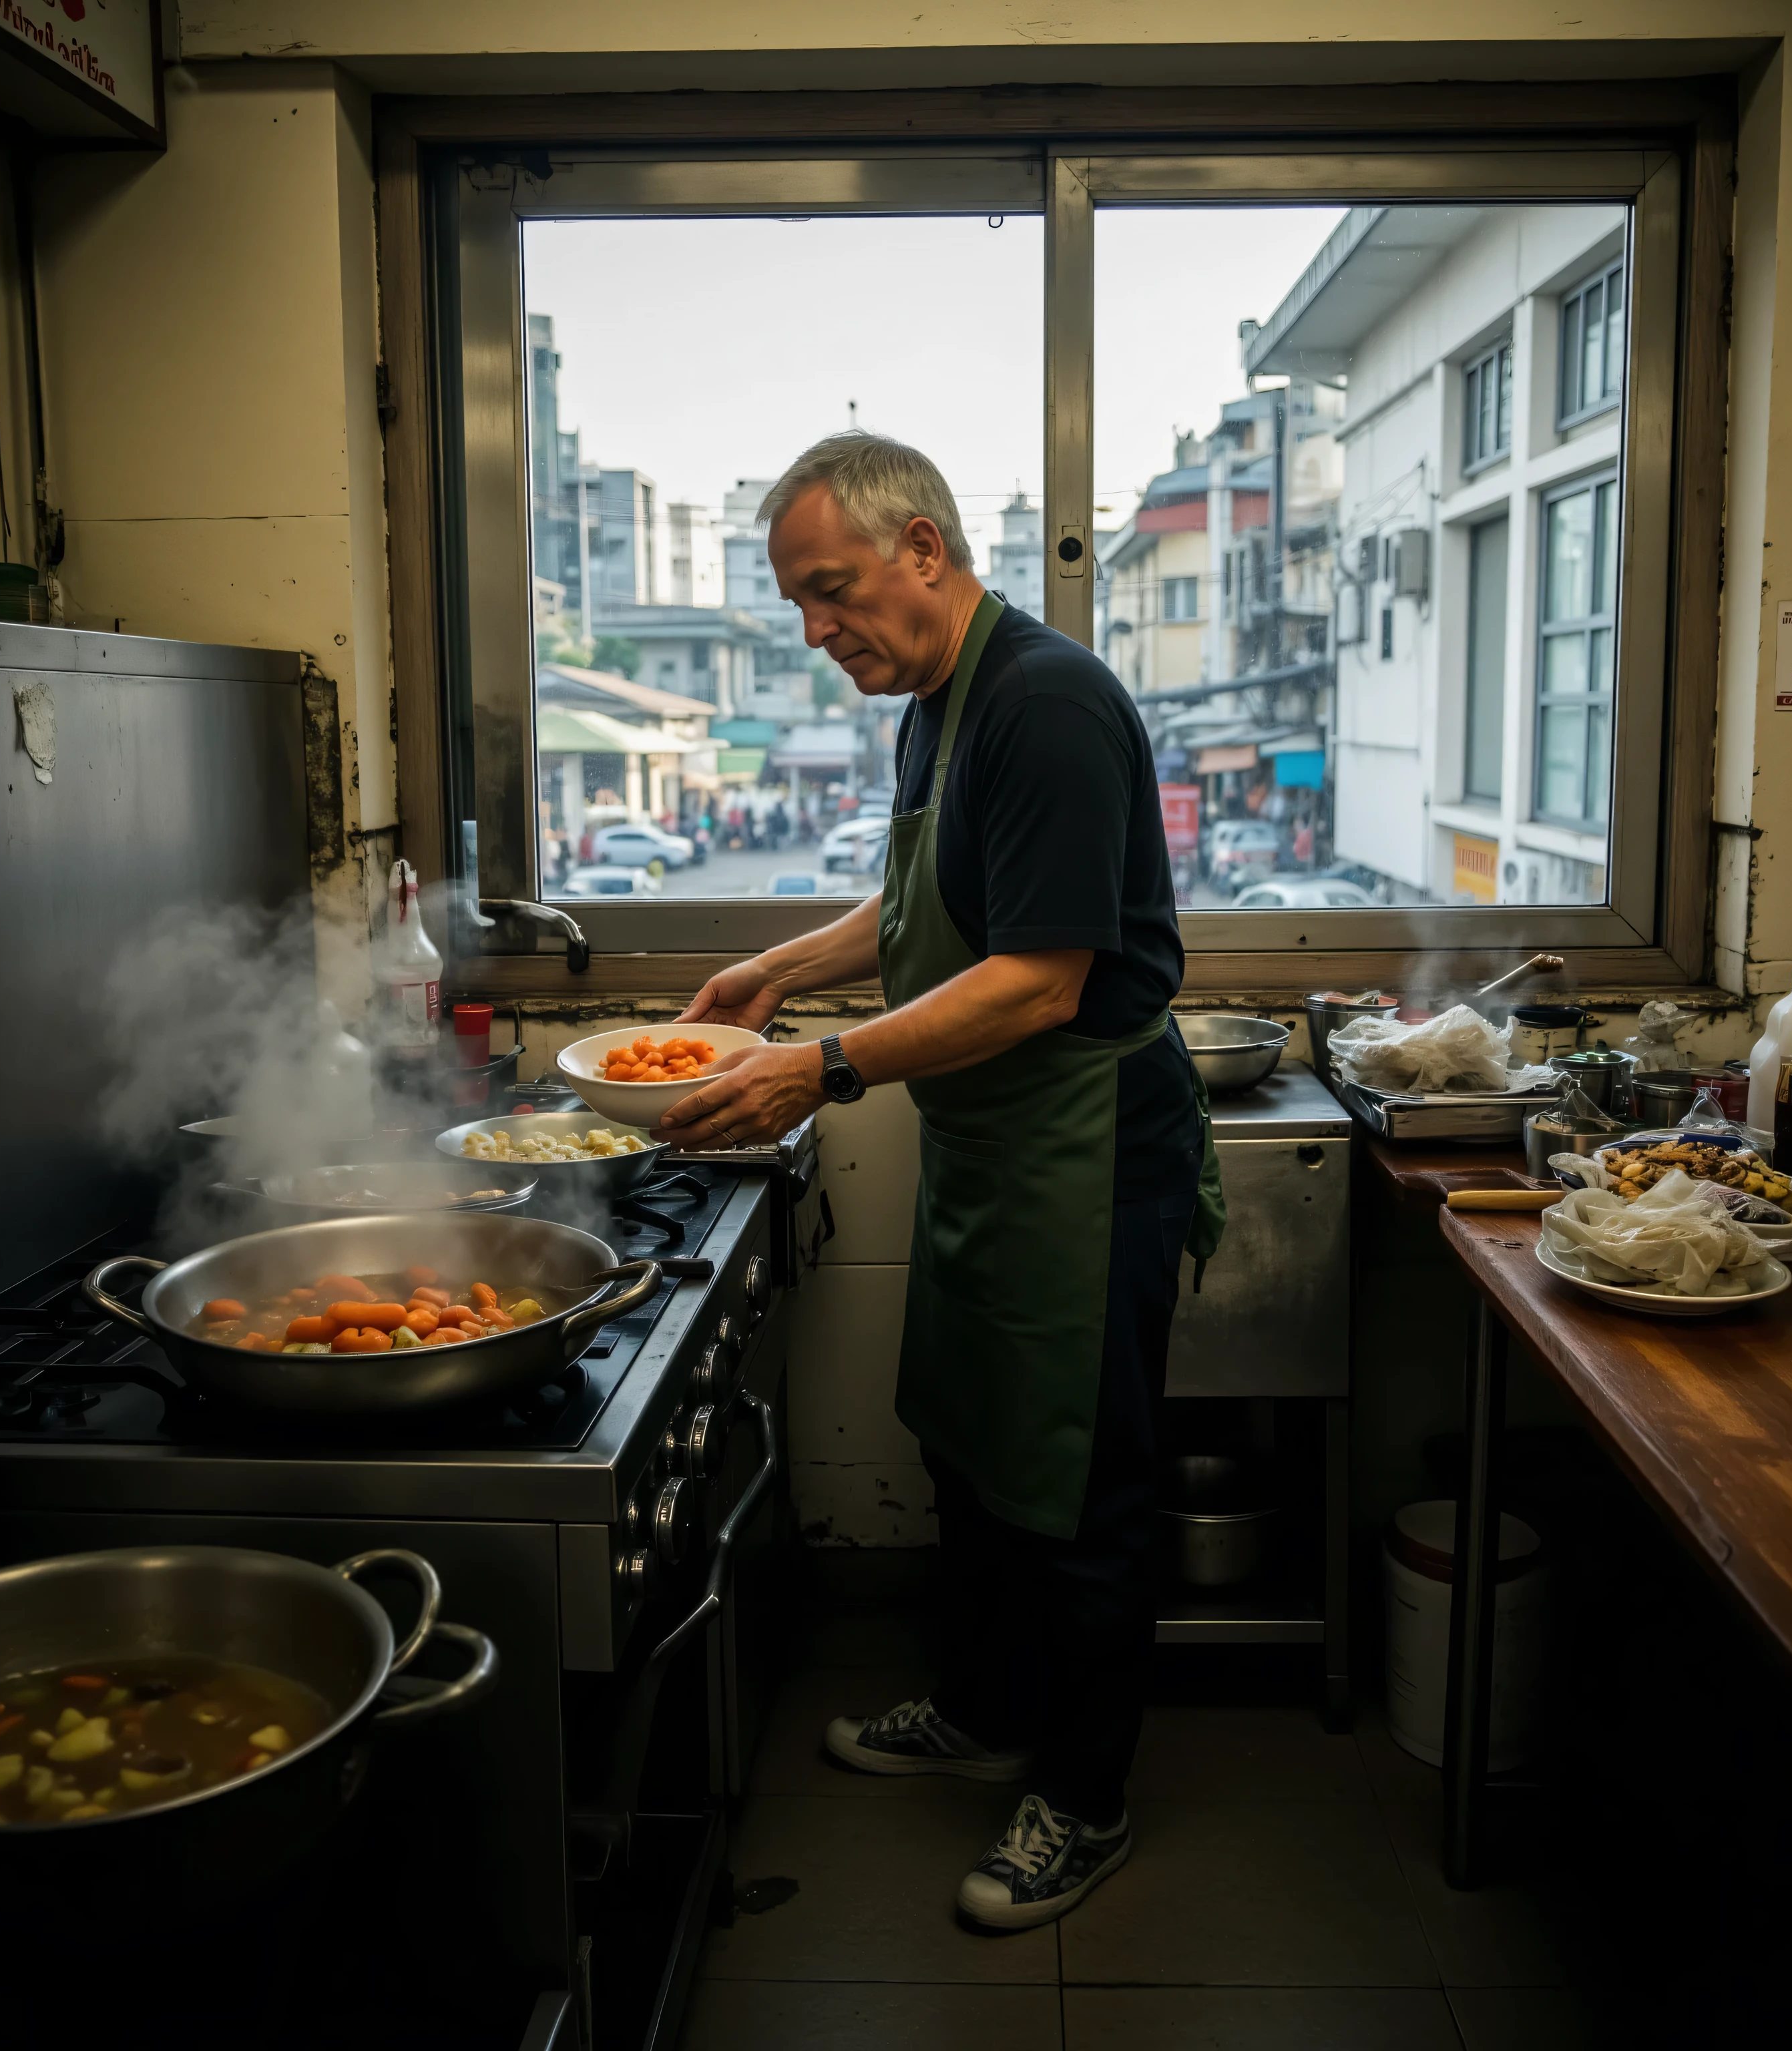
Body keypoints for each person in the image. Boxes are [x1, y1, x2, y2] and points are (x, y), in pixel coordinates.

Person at [654, 431, 1222, 1933]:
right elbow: (931, 900)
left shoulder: (1044, 703)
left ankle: (1087, 1797)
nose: (817, 630)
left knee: (1082, 1482)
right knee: (974, 1443)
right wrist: (778, 970)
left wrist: (817, 1070)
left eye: (831, 590)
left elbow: (1038, 980)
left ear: (923, 550)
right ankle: (987, 1707)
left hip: (1084, 1143)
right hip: (994, 1141)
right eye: (796, 604)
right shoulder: (939, 700)